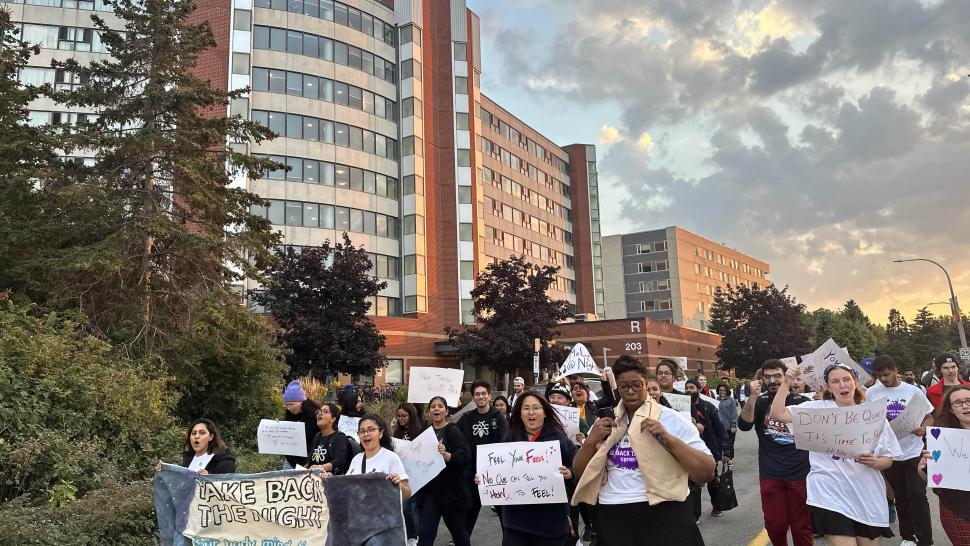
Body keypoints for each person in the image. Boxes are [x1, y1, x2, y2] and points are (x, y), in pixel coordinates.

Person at [572, 355, 714, 546]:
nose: (631, 392)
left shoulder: (671, 419)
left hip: (666, 511)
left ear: (646, 384)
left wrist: (668, 439)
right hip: (614, 515)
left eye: (637, 385)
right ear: (617, 388)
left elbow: (706, 472)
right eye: (624, 387)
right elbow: (580, 472)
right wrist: (590, 442)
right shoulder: (605, 422)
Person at [769, 364, 901, 544]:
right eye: (835, 381)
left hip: (867, 495)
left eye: (846, 379)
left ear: (855, 382)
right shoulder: (817, 409)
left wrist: (875, 462)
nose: (842, 385)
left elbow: (888, 458)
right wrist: (786, 383)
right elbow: (777, 414)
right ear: (828, 387)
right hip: (830, 494)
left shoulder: (873, 413)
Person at [737, 359, 813, 546]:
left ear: (786, 375)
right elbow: (744, 425)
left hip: (801, 473)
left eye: (777, 376)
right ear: (762, 379)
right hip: (771, 474)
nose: (772, 381)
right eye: (768, 377)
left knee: (801, 526)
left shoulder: (802, 402)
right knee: (775, 525)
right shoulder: (760, 401)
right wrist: (752, 398)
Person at [491, 392, 577, 546]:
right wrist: (486, 479)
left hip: (550, 524)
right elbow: (497, 469)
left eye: (536, 408)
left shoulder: (558, 439)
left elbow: (578, 468)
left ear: (544, 412)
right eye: (526, 408)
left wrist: (569, 474)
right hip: (516, 523)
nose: (531, 412)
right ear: (519, 413)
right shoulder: (510, 437)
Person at [867, 355, 934, 546]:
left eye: (887, 374)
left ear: (896, 371)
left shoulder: (913, 391)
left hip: (913, 452)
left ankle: (926, 539)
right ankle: (907, 536)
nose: (884, 379)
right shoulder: (872, 393)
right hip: (891, 454)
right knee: (901, 496)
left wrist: (923, 428)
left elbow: (929, 417)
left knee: (918, 496)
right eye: (880, 377)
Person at [415, 396, 471, 546]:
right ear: (428, 412)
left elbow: (465, 457)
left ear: (446, 411)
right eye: (433, 406)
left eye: (440, 406)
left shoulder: (453, 431)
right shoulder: (424, 433)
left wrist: (446, 455)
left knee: (459, 534)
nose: (436, 409)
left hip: (451, 492)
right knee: (425, 535)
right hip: (430, 492)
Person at [919, 385, 970, 545]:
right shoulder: (940, 437)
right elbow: (923, 473)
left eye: (969, 400)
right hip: (957, 508)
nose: (965, 405)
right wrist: (925, 465)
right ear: (951, 410)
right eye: (958, 403)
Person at [457, 381, 509, 536]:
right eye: (477, 394)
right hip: (472, 474)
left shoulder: (498, 417)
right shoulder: (466, 418)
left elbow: (505, 442)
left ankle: (509, 539)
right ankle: (462, 540)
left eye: (483, 393)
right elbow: (455, 436)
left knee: (503, 511)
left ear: (489, 396)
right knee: (470, 510)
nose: (480, 397)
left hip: (495, 473)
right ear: (473, 398)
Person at [684, 379, 730, 519]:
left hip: (709, 450)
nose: (689, 390)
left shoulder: (708, 407)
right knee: (693, 485)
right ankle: (695, 515)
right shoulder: (681, 408)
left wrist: (726, 451)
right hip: (690, 450)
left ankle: (717, 507)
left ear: (698, 390)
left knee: (712, 480)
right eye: (686, 388)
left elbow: (720, 430)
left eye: (692, 387)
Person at [282, 380, 321, 469]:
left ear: (301, 401)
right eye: (286, 405)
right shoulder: (290, 415)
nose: (289, 408)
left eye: (292, 404)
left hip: (309, 458)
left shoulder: (315, 415)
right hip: (290, 458)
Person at [307, 402, 351, 476]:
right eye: (319, 411)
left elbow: (340, 461)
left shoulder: (339, 437)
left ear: (333, 419)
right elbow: (311, 461)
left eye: (324, 411)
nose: (319, 413)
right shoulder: (317, 436)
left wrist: (321, 468)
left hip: (331, 480)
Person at [715, 384, 738, 458]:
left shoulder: (731, 400)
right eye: (720, 390)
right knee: (719, 446)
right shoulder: (715, 400)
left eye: (724, 390)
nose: (722, 391)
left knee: (729, 446)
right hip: (718, 428)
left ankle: (729, 464)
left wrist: (733, 425)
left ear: (727, 391)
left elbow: (734, 413)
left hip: (729, 428)